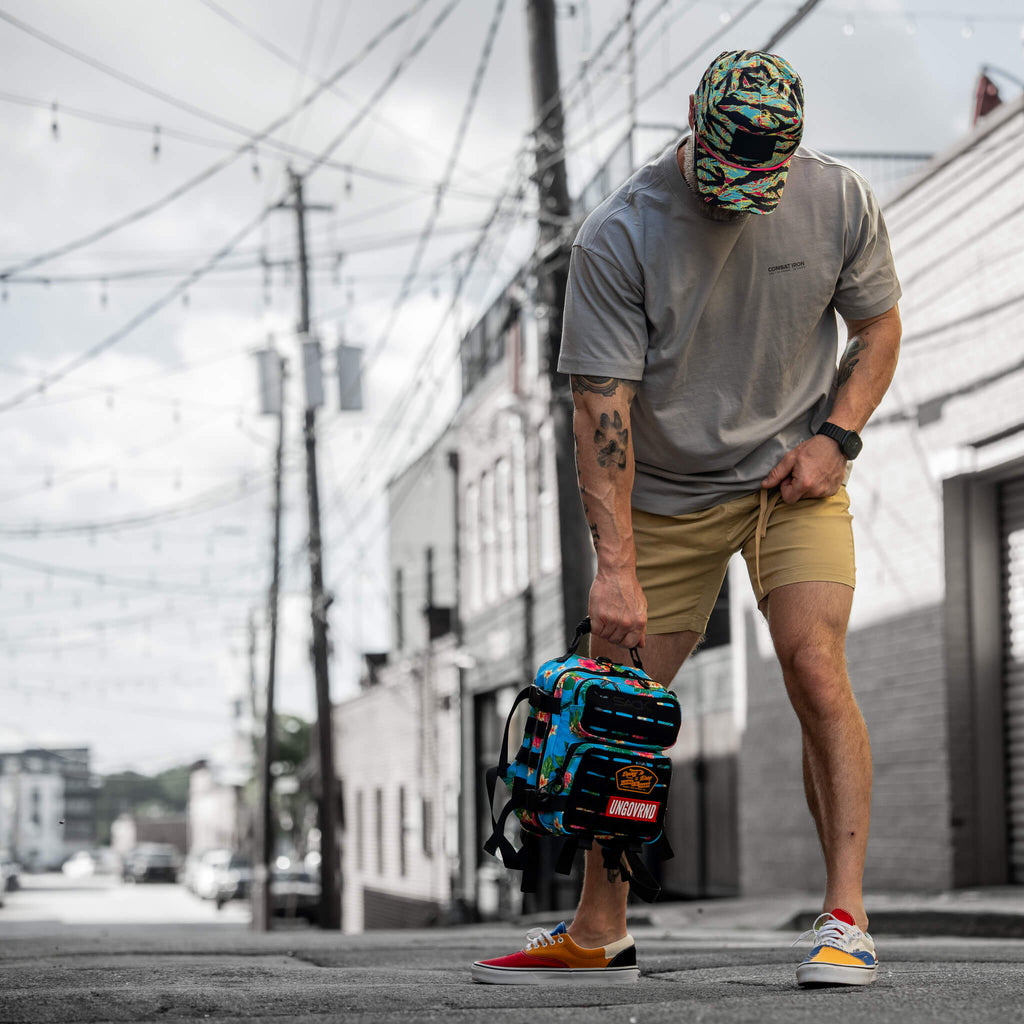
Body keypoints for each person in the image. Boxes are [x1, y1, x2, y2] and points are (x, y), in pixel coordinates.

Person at [472, 49, 901, 987]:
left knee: (815, 665)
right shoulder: (619, 238)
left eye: (761, 178)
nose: (740, 195)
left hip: (792, 479)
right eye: (725, 174)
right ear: (695, 130)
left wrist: (836, 437)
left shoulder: (838, 201)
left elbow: (878, 327)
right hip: (664, 497)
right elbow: (601, 413)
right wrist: (615, 566)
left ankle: (846, 921)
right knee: (618, 708)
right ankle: (599, 929)